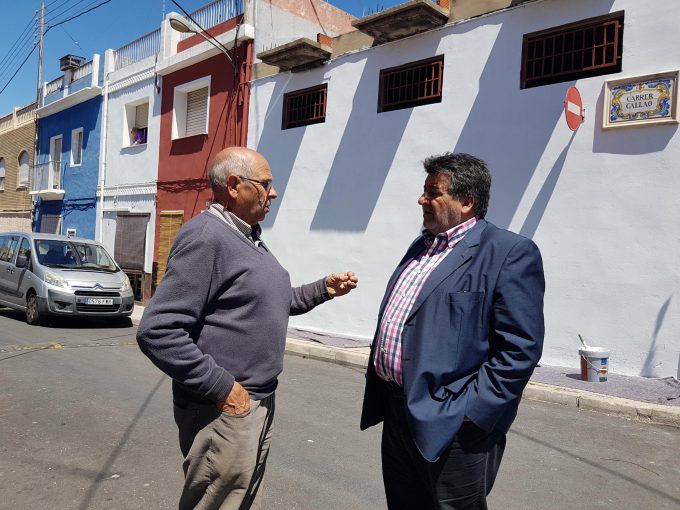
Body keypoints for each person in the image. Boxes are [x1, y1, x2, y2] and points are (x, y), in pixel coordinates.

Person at [136, 147, 358, 510]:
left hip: (255, 401)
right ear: (234, 186)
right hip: (223, 408)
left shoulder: (247, 236)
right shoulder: (206, 237)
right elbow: (157, 330)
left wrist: (323, 289)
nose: (274, 193)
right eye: (266, 184)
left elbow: (269, 301)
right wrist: (225, 389)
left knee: (239, 502)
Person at [360, 152, 544, 509]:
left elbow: (520, 348)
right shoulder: (422, 246)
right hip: (398, 412)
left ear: (466, 202)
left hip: (453, 423)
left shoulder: (508, 252)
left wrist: (470, 412)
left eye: (433, 192)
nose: (422, 199)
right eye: (424, 190)